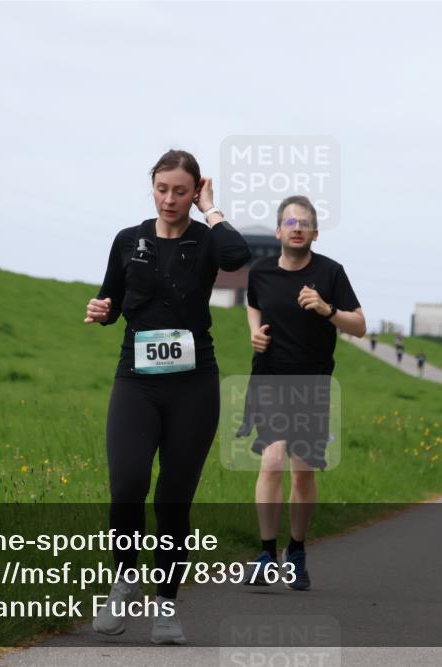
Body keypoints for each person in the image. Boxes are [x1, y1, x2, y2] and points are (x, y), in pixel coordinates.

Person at [85, 150, 251, 644]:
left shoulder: (206, 240)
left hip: (194, 385)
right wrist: (101, 308)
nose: (170, 199)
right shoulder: (127, 240)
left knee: (174, 501)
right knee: (128, 483)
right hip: (136, 380)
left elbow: (237, 258)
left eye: (181, 191)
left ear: (195, 189)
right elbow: (112, 301)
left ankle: (166, 606)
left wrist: (212, 210)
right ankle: (124, 579)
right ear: (151, 186)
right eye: (162, 189)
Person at [241, 195, 365, 591]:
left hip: (312, 382)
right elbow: (253, 303)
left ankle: (296, 548)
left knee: (303, 471)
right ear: (279, 231)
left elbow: (360, 325)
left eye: (304, 222)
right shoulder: (260, 272)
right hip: (270, 379)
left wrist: (328, 310)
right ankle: (265, 552)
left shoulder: (331, 273)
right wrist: (254, 333)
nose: (297, 227)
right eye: (290, 222)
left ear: (315, 232)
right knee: (272, 459)